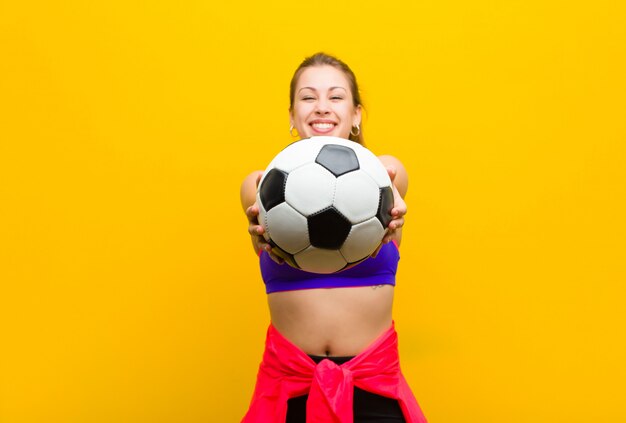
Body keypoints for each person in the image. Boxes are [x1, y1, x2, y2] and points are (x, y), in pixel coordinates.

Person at [240, 53, 427, 423]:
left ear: (356, 115)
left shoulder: (385, 174)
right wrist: (261, 238)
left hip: (373, 383)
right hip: (288, 386)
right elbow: (260, 240)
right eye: (308, 98)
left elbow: (396, 196)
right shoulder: (260, 186)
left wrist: (394, 213)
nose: (321, 107)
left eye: (336, 97)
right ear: (292, 116)